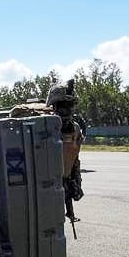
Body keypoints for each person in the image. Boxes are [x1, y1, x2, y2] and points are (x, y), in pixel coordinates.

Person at [46, 80, 87, 230]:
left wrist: (75, 183)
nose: (67, 110)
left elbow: (74, 159)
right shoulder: (45, 128)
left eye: (70, 106)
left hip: (62, 185)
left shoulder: (75, 129)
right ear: (55, 106)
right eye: (63, 106)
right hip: (45, 189)